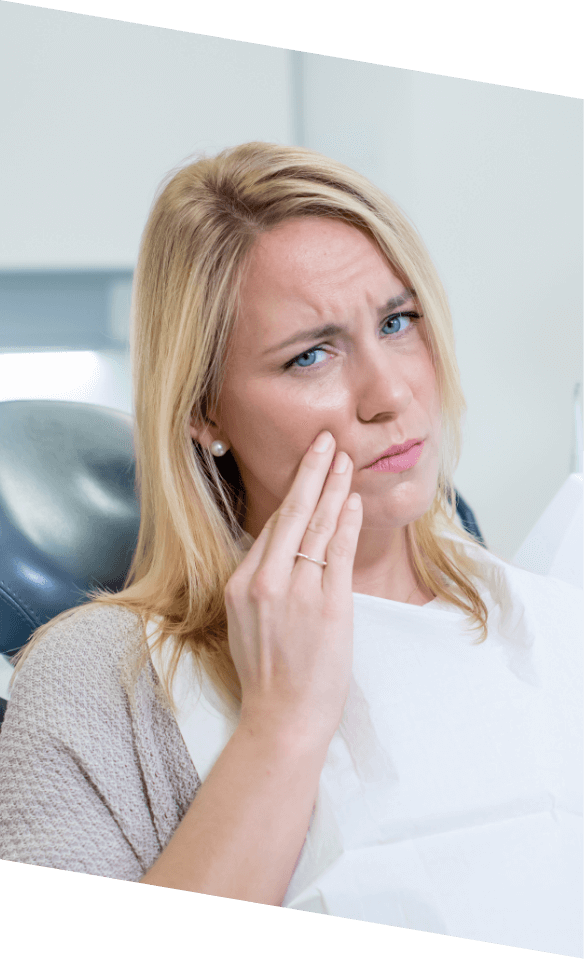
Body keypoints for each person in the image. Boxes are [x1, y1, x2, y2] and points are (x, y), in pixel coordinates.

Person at [0, 143, 581, 953]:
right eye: (311, 353)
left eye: (397, 321)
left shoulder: (551, 623)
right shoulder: (96, 684)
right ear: (204, 412)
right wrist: (281, 727)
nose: (390, 393)